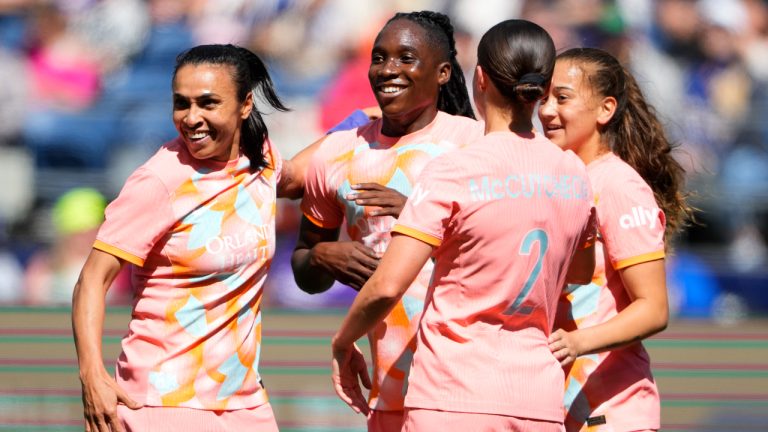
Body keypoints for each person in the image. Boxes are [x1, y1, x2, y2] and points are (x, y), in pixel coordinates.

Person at [331, 19, 596, 432]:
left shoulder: (454, 170)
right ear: (543, 90)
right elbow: (578, 274)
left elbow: (387, 285)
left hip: (452, 397)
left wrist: (343, 341)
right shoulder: (575, 173)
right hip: (537, 400)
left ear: (480, 78)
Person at [72, 44, 321, 432]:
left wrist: (365, 126)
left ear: (245, 104)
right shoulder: (158, 181)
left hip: (244, 404)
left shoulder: (260, 161)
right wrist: (92, 375)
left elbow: (302, 174)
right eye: (181, 104)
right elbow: (92, 279)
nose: (191, 118)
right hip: (163, 402)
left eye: (208, 103)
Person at [291, 10, 481, 432]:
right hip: (388, 393)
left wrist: (417, 213)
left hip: (467, 389)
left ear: (443, 72)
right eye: (380, 58)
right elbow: (306, 271)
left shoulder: (474, 145)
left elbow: (501, 251)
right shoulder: (337, 153)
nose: (388, 69)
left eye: (406, 58)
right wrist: (322, 257)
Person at [538, 47, 694, 431]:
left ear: (605, 109)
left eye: (562, 98)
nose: (546, 111)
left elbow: (653, 309)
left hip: (612, 414)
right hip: (555, 408)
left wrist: (577, 343)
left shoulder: (619, 186)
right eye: (543, 98)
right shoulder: (555, 180)